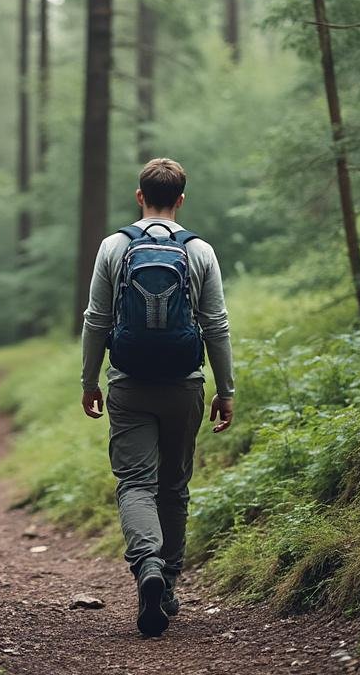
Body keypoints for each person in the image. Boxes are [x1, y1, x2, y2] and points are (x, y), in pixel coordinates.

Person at [79, 157, 235, 638]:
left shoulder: (113, 246)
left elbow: (96, 320)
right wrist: (225, 390)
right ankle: (166, 584)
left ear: (139, 196)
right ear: (181, 199)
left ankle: (145, 564)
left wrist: (90, 380)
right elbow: (216, 326)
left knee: (135, 484)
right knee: (174, 487)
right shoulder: (200, 251)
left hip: (128, 383)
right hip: (185, 383)